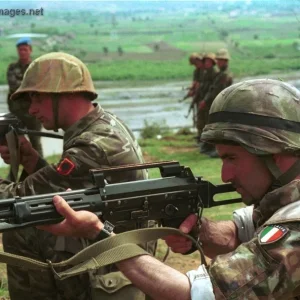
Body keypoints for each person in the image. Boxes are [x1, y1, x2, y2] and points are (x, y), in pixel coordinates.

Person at [40, 79, 300, 299]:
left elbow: (191, 292)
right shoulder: (280, 202)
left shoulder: (294, 229)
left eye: (232, 158)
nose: (225, 175)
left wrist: (101, 236)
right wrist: (198, 231)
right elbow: (236, 234)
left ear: (276, 153)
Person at [0, 52, 155, 300]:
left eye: (36, 98)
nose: (32, 109)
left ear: (65, 93)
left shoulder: (92, 146)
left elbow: (14, 199)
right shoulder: (104, 123)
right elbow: (64, 187)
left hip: (114, 261)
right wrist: (30, 159)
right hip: (119, 241)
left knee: (20, 225)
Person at [6, 37, 43, 159]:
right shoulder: (12, 68)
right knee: (16, 143)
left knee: (36, 142)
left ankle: (41, 170)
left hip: (34, 113)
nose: (22, 52)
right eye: (20, 50)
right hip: (17, 112)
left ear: (30, 50)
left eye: (25, 49)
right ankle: (14, 172)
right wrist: (29, 88)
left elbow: (38, 87)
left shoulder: (36, 68)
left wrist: (26, 88)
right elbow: (14, 87)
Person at [199, 48, 233, 158]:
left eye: (220, 60)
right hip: (217, 104)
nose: (218, 62)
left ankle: (218, 150)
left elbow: (218, 91)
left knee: (220, 128)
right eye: (217, 60)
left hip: (221, 105)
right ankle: (213, 148)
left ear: (225, 61)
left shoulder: (224, 75)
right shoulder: (221, 74)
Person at [197, 52, 218, 154]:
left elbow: (213, 89)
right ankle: (206, 143)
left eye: (209, 61)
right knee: (204, 122)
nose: (206, 63)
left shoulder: (214, 72)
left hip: (211, 101)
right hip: (206, 99)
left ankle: (211, 145)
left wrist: (205, 100)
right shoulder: (206, 72)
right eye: (205, 61)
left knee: (210, 123)